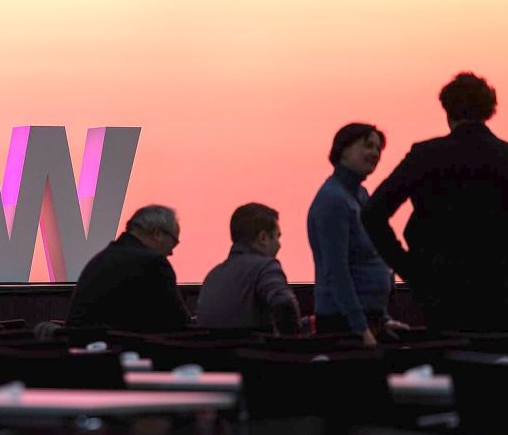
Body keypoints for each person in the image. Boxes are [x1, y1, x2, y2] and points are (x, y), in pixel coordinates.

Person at [362, 72, 508, 333]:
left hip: (442, 300)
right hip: (505, 301)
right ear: (489, 111)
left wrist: (411, 270)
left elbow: (372, 213)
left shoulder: (424, 156)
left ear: (447, 111)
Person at [307, 123, 404, 346]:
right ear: (343, 150)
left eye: (378, 148)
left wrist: (384, 319)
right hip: (343, 324)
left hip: (370, 320)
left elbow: (372, 257)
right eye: (367, 145)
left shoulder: (360, 195)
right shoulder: (333, 200)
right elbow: (336, 269)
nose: (375, 153)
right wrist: (360, 328)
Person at [66, 205, 191, 331]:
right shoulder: (153, 263)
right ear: (157, 233)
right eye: (174, 243)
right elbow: (179, 322)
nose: (171, 253)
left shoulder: (102, 258)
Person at [196, 203, 300, 334]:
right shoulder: (265, 267)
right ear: (263, 238)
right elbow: (285, 305)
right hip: (256, 352)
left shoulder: (212, 276)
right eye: (277, 236)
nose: (279, 245)